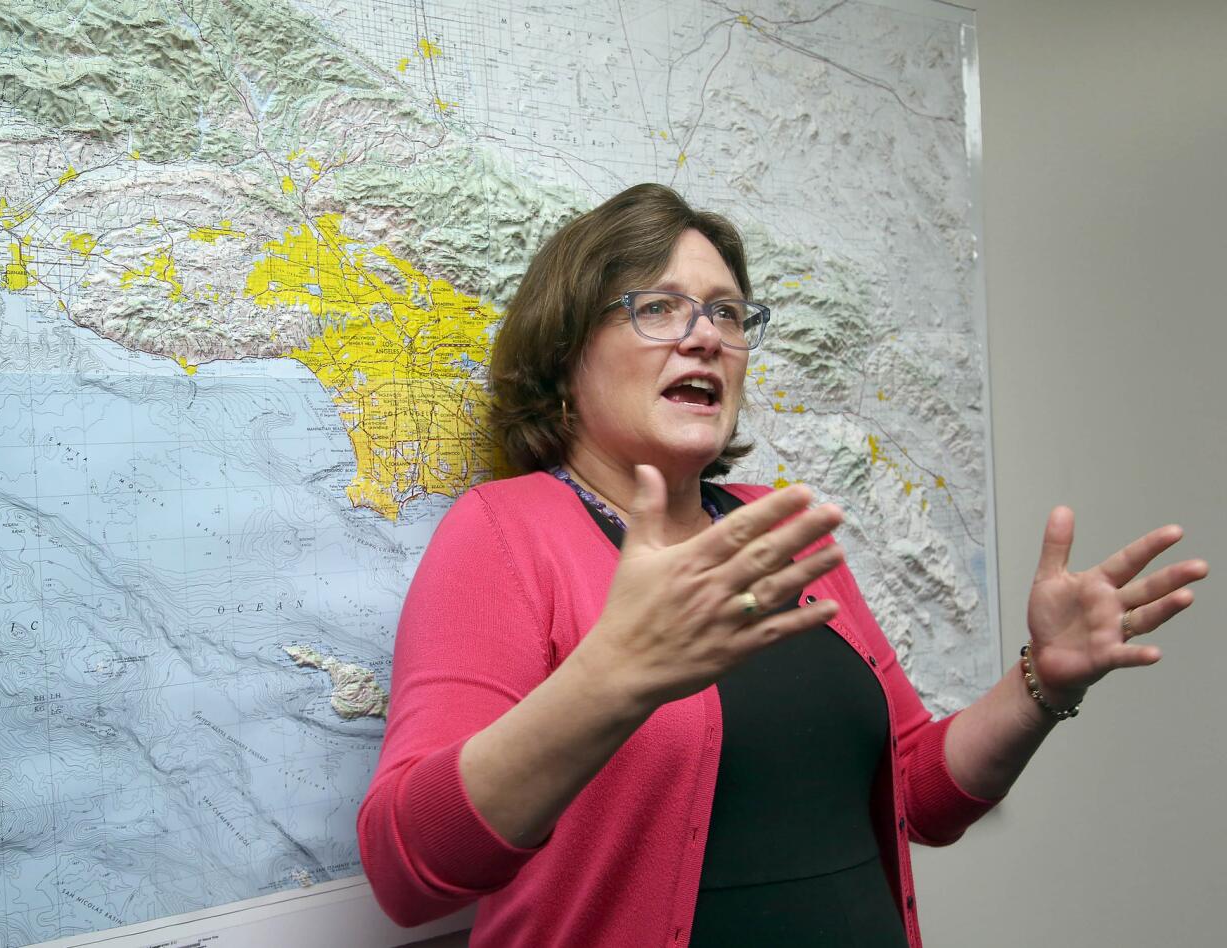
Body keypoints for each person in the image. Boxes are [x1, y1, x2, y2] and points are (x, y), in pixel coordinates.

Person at [355, 184, 1208, 947]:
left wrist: (1041, 684)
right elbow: (408, 871)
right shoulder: (504, 531)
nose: (706, 339)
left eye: (727, 314)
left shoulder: (777, 527)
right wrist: (611, 680)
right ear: (566, 355)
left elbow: (918, 792)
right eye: (659, 307)